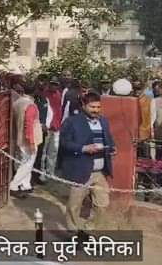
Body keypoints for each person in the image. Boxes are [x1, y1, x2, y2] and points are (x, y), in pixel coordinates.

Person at [58, 89, 117, 239]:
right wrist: (84, 148)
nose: (96, 110)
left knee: (102, 204)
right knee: (74, 205)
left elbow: (108, 140)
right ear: (84, 105)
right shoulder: (72, 122)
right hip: (80, 169)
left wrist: (112, 149)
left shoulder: (103, 121)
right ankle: (73, 231)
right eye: (92, 107)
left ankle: (89, 229)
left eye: (98, 107)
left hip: (100, 171)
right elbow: (64, 143)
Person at [10, 81, 42, 197]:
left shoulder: (17, 102)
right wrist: (32, 142)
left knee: (22, 161)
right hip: (28, 139)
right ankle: (14, 185)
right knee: (27, 163)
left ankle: (25, 184)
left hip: (18, 136)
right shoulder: (30, 105)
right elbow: (29, 124)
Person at [43, 78, 63, 179]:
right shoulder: (44, 94)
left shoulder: (59, 94)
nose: (54, 86)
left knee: (53, 150)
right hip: (47, 126)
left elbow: (60, 110)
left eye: (56, 84)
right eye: (52, 84)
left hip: (56, 126)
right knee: (44, 151)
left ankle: (50, 172)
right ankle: (42, 173)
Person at [132, 79, 154, 157]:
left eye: (139, 88)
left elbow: (150, 118)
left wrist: (144, 135)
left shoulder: (148, 100)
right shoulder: (131, 99)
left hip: (144, 134)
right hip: (133, 134)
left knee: (145, 158)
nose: (137, 90)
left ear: (143, 89)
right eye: (135, 88)